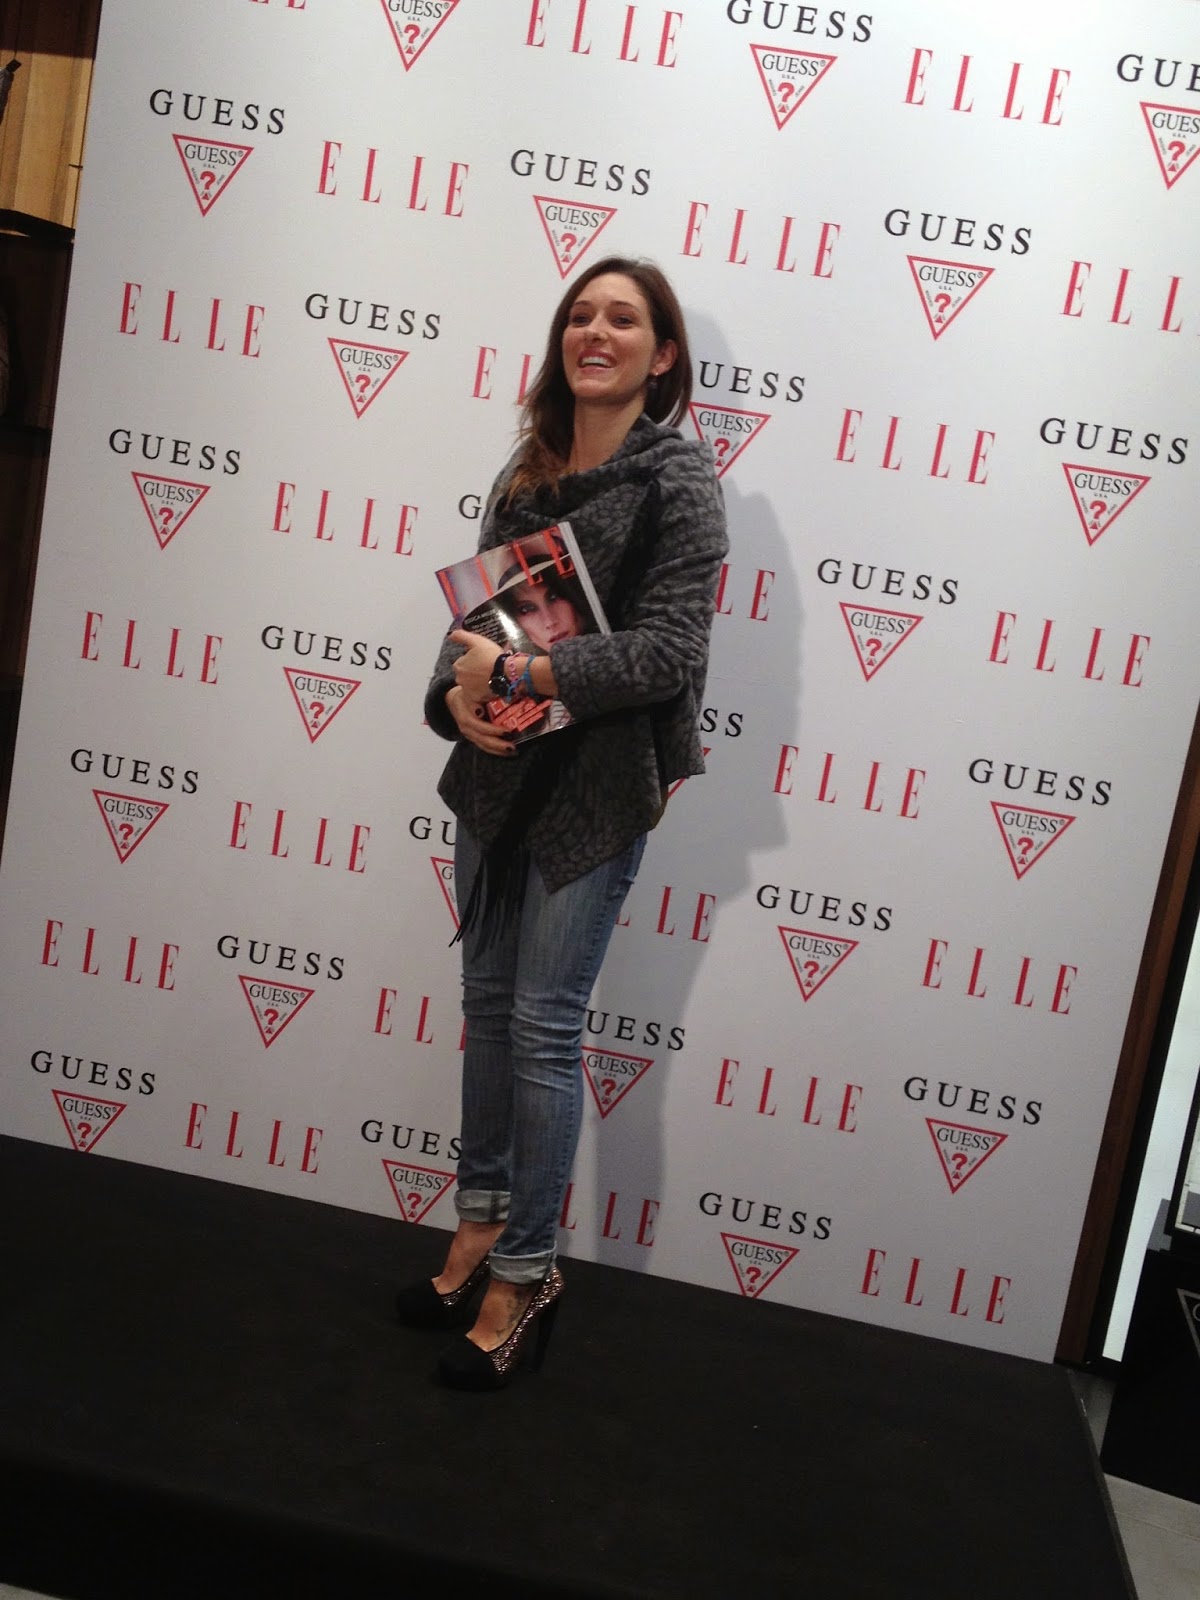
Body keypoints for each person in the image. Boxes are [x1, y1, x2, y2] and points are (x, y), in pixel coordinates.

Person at [397, 256, 728, 1390]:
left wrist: (527, 673)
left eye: (624, 319)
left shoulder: (678, 479)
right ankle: (480, 1223)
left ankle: (527, 1271)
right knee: (488, 1013)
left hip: (597, 791)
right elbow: (472, 627)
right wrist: (450, 699)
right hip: (496, 780)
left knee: (542, 1029)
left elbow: (668, 654)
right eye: (581, 315)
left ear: (662, 355)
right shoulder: (527, 469)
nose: (597, 331)